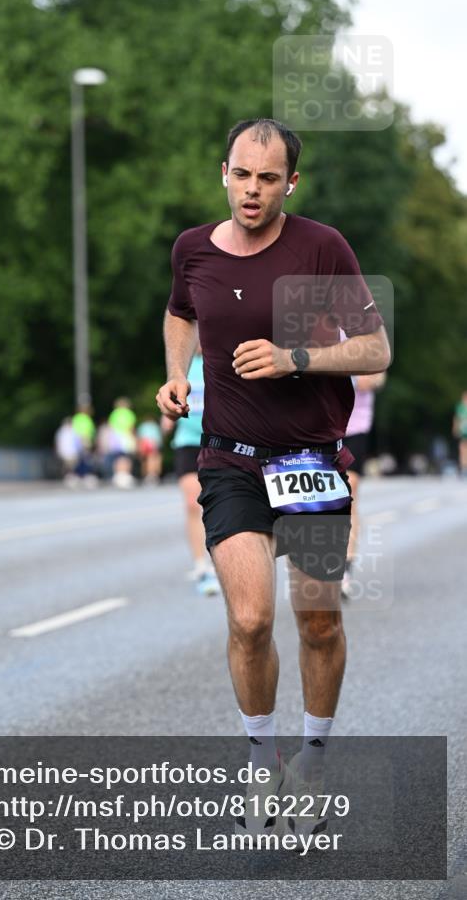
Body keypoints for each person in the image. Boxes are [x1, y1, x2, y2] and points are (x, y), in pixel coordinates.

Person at [156, 118, 391, 836]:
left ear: (290, 182)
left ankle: (311, 761)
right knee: (250, 620)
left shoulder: (321, 248)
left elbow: (374, 347)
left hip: (309, 463)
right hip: (227, 460)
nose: (251, 190)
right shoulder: (192, 248)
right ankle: (263, 761)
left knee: (317, 621)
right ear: (222, 171)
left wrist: (296, 358)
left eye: (267, 178)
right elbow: (178, 312)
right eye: (240, 174)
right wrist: (174, 378)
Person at [161, 345, 220, 596]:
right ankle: (201, 566)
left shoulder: (221, 360)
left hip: (217, 441)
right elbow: (169, 402)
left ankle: (222, 561)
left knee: (218, 504)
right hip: (187, 442)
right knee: (192, 503)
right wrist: (167, 414)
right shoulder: (181, 366)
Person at [342, 372, 387, 598]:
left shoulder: (364, 334)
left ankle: (345, 569)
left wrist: (354, 379)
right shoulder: (311, 335)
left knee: (350, 488)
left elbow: (377, 377)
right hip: (318, 425)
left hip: (355, 424)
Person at [108, 397, 137, 489]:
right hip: (125, 437)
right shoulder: (129, 413)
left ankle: (118, 475)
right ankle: (125, 474)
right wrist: (134, 438)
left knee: (117, 457)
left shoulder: (114, 413)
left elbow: (111, 426)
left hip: (115, 438)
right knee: (126, 457)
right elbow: (131, 427)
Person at [136, 417, 163, 485]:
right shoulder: (154, 426)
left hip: (145, 445)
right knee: (153, 460)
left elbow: (140, 437)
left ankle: (149, 475)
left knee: (146, 461)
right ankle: (152, 475)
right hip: (152, 445)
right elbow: (158, 439)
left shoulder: (143, 426)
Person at [452, 390, 467, 477]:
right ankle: (464, 468)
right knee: (462, 449)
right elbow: (457, 418)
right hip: (463, 431)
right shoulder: (460, 407)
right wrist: (455, 428)